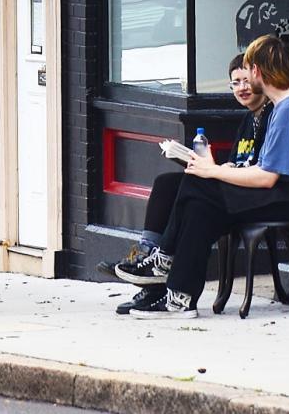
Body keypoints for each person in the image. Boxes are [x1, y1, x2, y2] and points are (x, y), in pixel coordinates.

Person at [117, 34, 289, 315]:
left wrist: (214, 171)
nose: (245, 80)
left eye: (249, 69)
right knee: (200, 205)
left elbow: (267, 177)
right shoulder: (288, 106)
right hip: (287, 193)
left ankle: (164, 261)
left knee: (198, 185)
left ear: (257, 71)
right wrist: (216, 171)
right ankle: (179, 297)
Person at [113, 53, 272, 315]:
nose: (242, 88)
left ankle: (167, 279)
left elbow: (261, 170)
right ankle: (150, 258)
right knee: (167, 183)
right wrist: (214, 165)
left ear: (260, 78)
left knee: (196, 198)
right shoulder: (248, 120)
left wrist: (213, 170)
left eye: (246, 80)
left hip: (251, 197)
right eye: (235, 82)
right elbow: (237, 165)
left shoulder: (271, 115)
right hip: (238, 190)